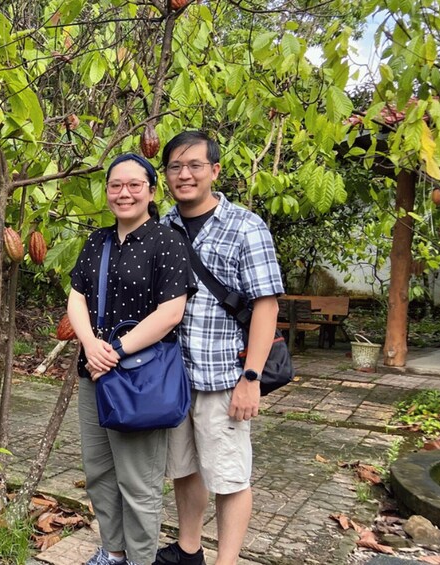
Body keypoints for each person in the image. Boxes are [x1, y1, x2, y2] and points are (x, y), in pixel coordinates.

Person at [154, 131, 283, 565]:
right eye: (175, 166)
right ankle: (189, 550)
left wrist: (252, 378)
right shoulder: (162, 227)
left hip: (224, 378)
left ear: (214, 171)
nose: (184, 174)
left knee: (229, 476)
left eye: (194, 165)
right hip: (173, 377)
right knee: (184, 469)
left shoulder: (246, 226)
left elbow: (266, 306)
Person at [67, 153, 194, 565]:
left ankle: (141, 560)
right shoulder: (97, 242)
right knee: (101, 475)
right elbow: (77, 298)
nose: (124, 193)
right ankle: (114, 553)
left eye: (134, 185)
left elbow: (170, 313)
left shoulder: (167, 241)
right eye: (115, 185)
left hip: (141, 379)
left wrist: (116, 350)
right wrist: (90, 345)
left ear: (151, 191)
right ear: (107, 192)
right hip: (95, 373)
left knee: (139, 483)